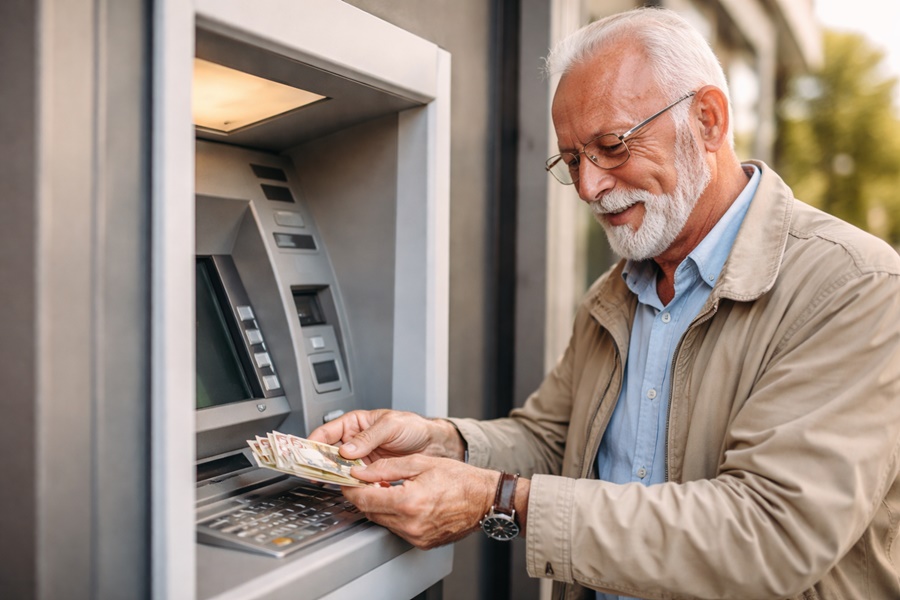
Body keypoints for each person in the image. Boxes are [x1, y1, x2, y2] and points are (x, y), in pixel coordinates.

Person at [309, 7, 900, 599]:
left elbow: (769, 534)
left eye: (612, 146)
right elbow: (555, 441)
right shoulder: (617, 291)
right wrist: (443, 443)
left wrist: (500, 500)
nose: (590, 187)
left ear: (708, 120)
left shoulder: (854, 287)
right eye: (572, 161)